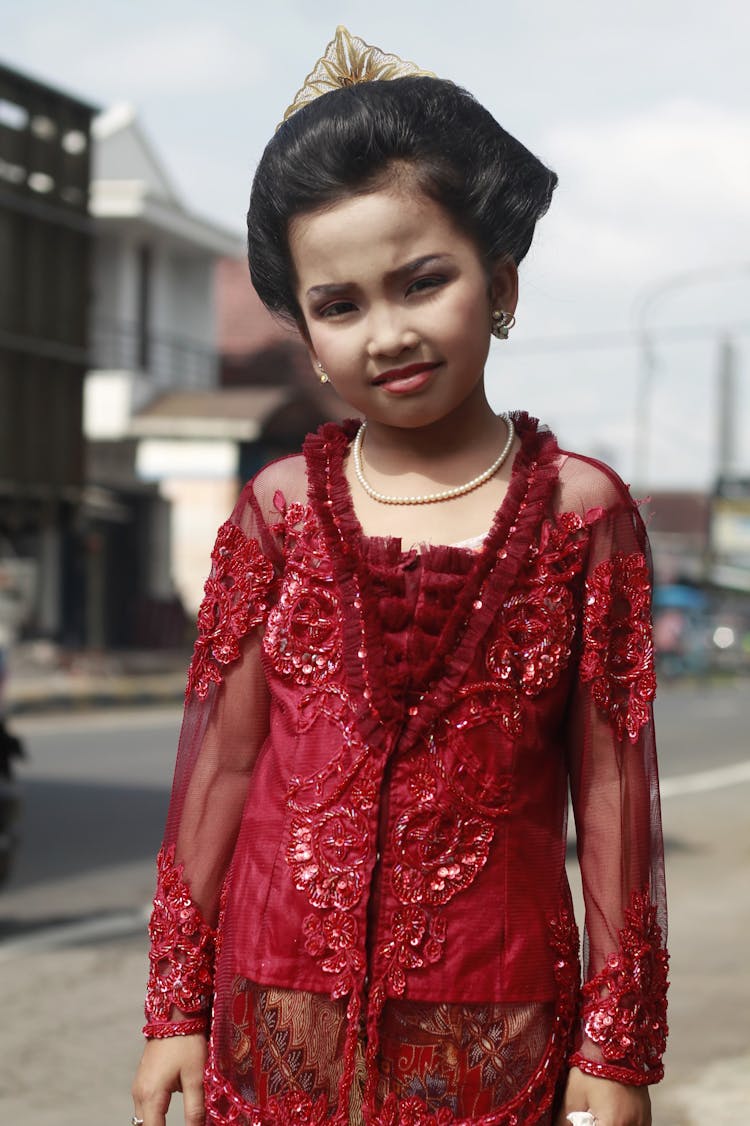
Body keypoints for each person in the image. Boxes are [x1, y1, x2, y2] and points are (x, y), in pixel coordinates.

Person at [131, 27, 668, 1126]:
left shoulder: (584, 512)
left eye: (423, 282)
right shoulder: (279, 507)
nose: (389, 333)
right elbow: (223, 773)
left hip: (497, 1028)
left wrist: (616, 1048)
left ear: (500, 281)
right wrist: (175, 1008)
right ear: (307, 335)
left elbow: (610, 791)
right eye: (341, 305)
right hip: (274, 1018)